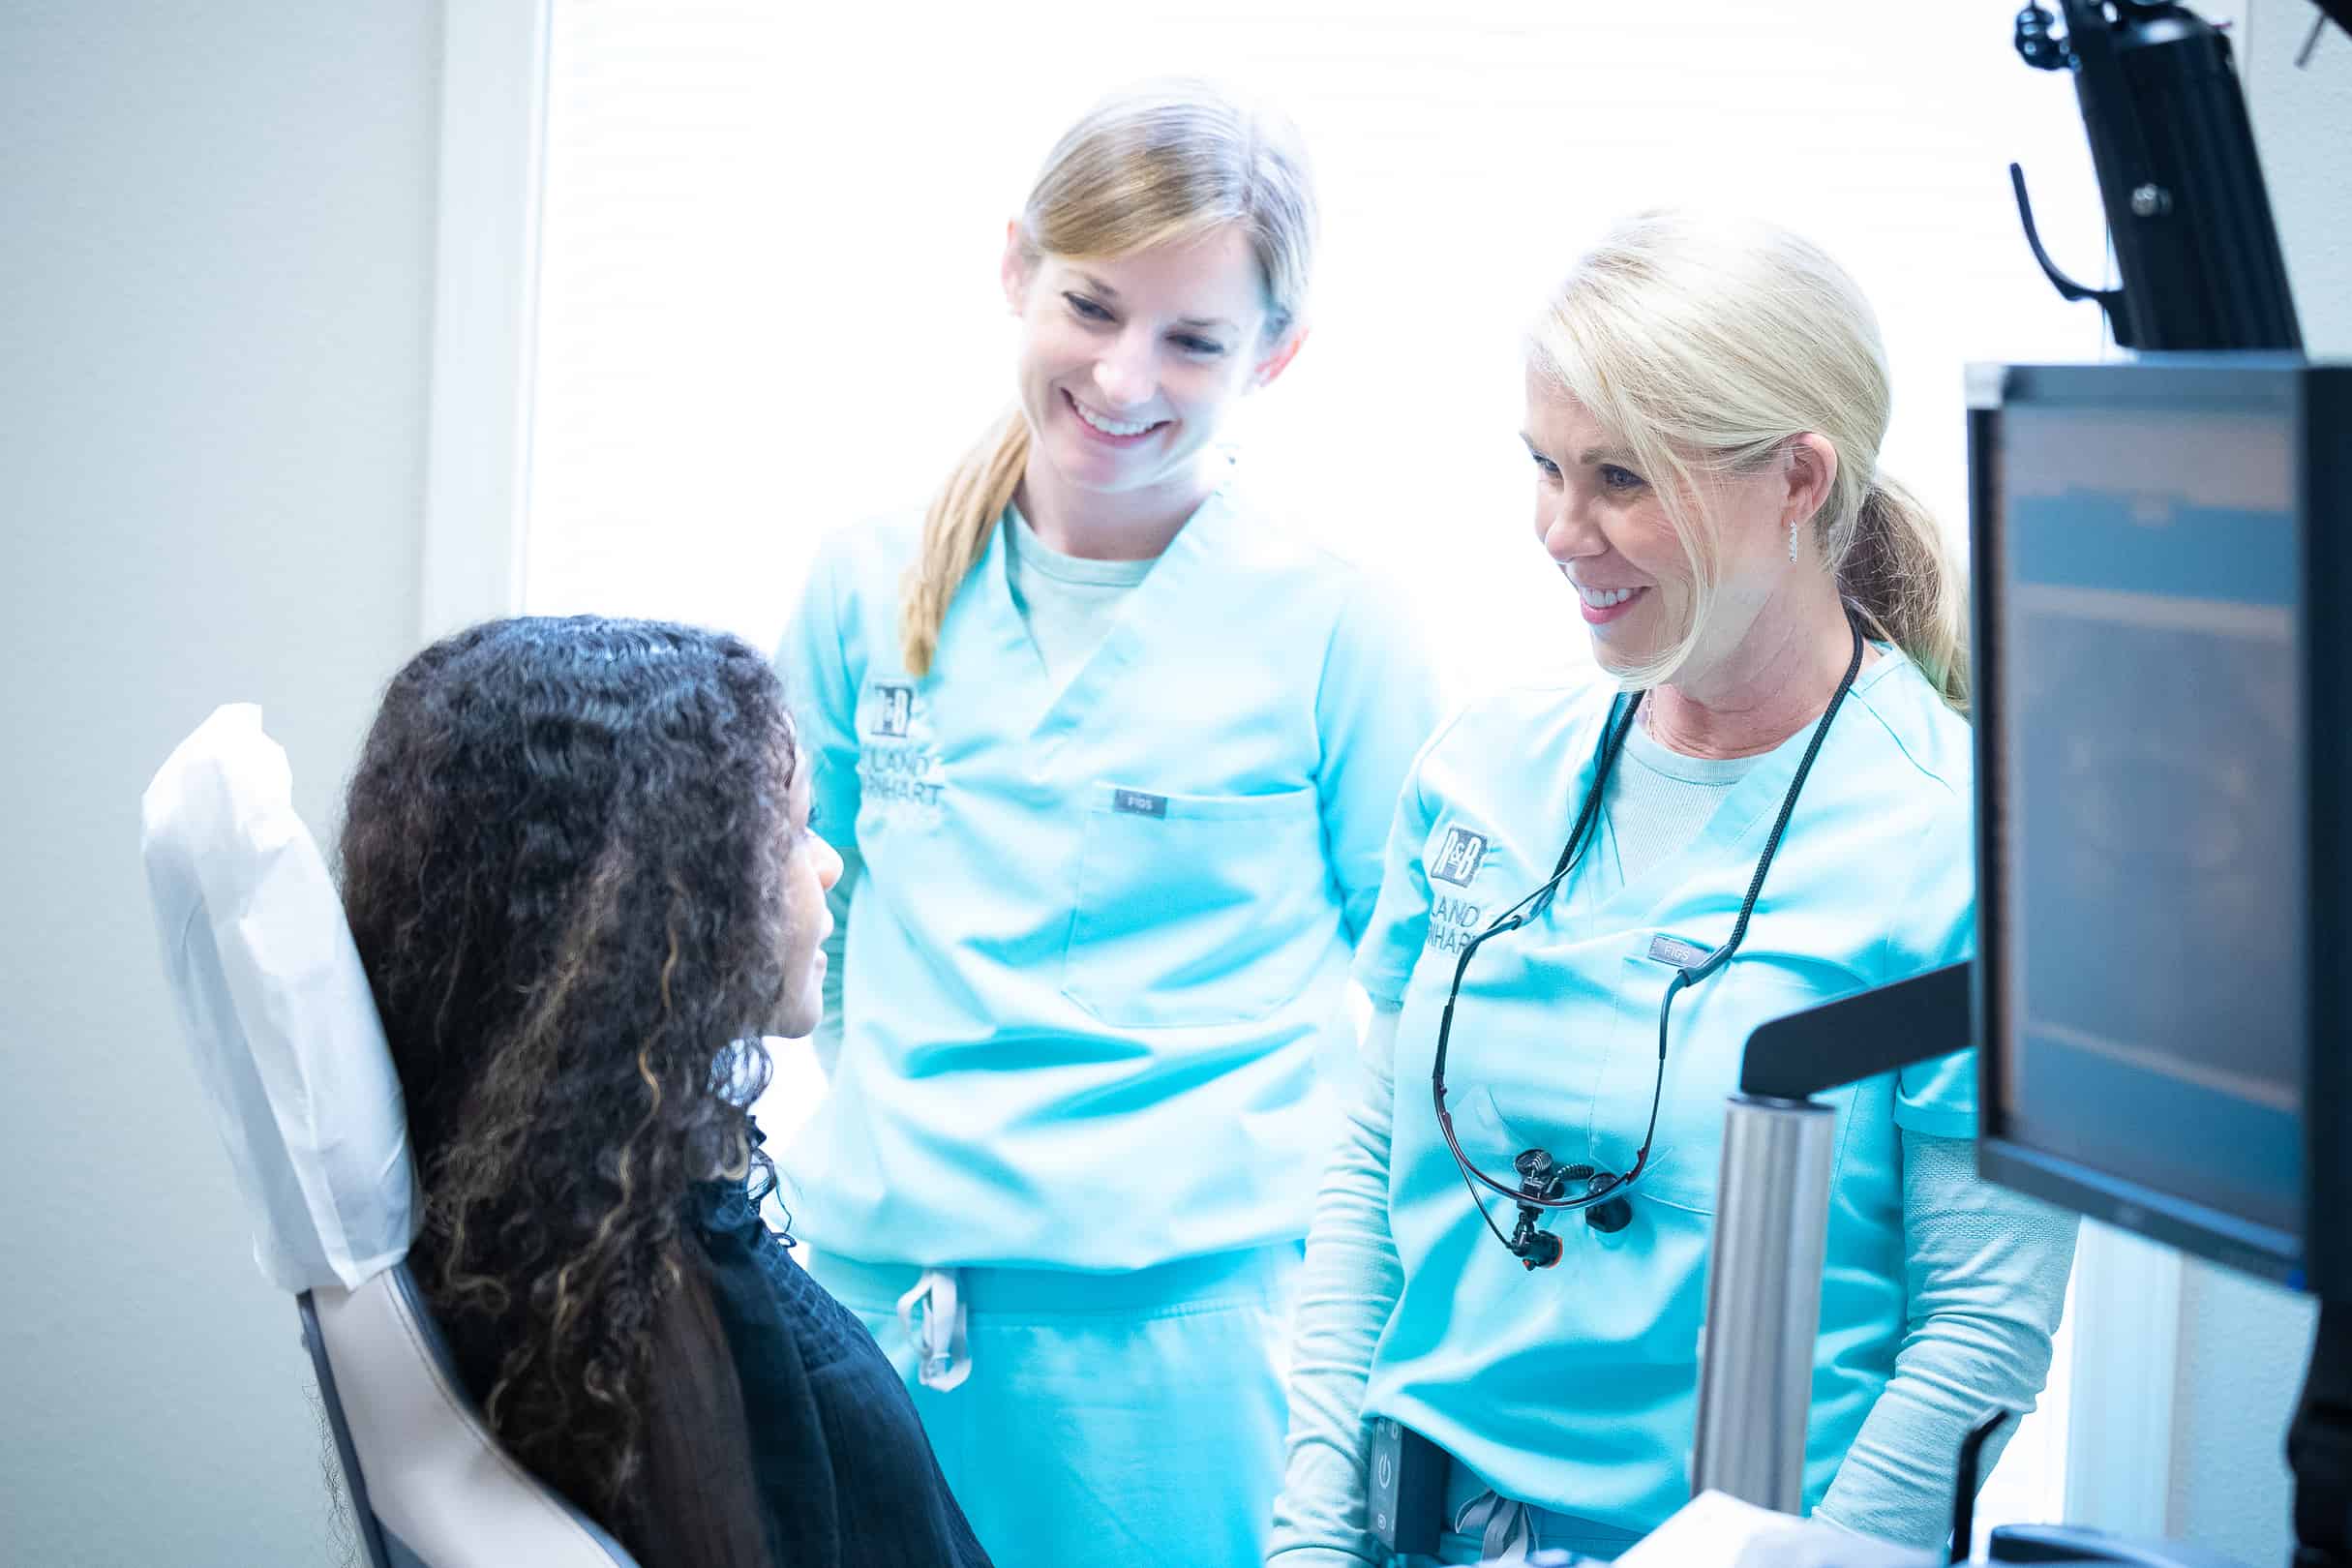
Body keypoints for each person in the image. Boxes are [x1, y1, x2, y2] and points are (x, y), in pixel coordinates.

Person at [1267, 211, 2080, 1565]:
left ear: (1798, 479)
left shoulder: (1964, 845)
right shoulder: (1483, 766)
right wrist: (1310, 1530)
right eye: (1542, 467)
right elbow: (1369, 1170)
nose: (1558, 529)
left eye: (1619, 480)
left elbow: (1976, 1331)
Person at [775, 79, 1443, 1566]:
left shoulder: (1334, 625)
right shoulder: (863, 586)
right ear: (1014, 268)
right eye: (1089, 305)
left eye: (1193, 338)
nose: (1125, 374)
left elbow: (1423, 1008)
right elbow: (789, 919)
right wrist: (901, 1106)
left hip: (1180, 1348)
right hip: (871, 1302)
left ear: (1274, 354)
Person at [336, 616, 992, 1568]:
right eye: (798, 829)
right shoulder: (753, 1362)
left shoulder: (534, 1283)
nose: (830, 864)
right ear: (672, 902)